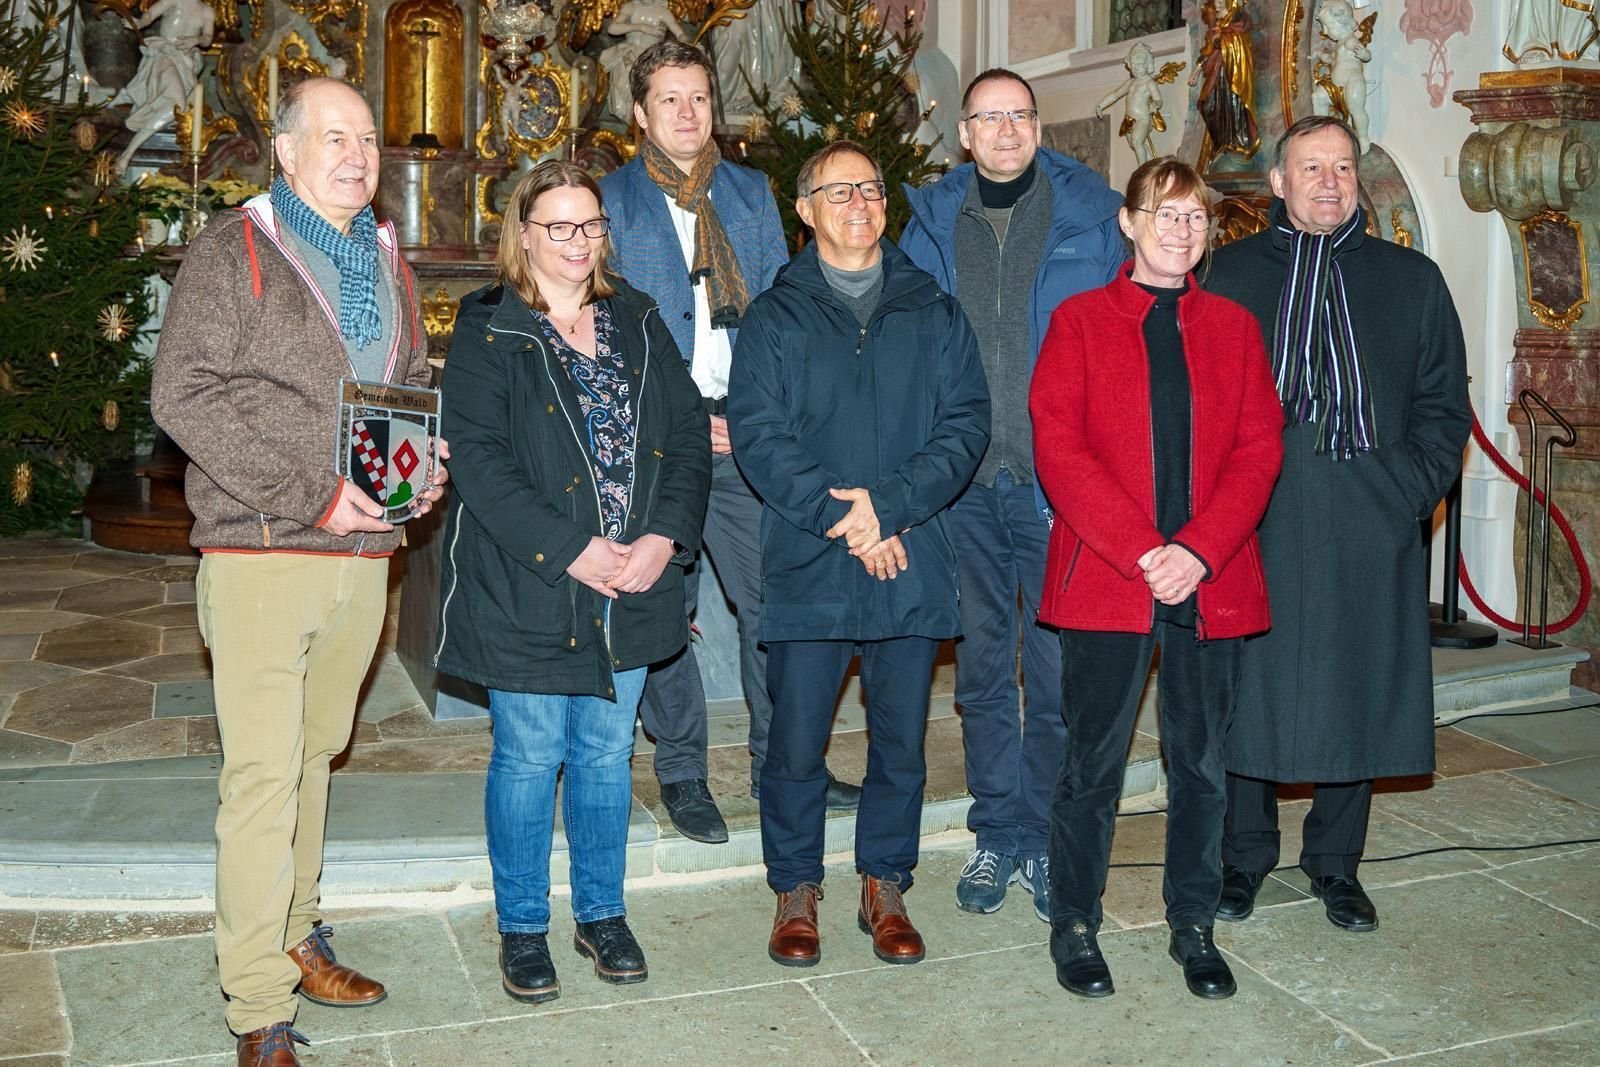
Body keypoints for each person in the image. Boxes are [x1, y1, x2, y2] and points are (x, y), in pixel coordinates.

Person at [151, 78, 444, 1067]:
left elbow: (398, 386)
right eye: (333, 137)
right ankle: (256, 1005)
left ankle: (296, 927)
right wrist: (312, 492)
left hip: (364, 554)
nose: (358, 153)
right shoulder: (234, 251)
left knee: (319, 751)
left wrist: (418, 462)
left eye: (367, 137)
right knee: (264, 775)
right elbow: (183, 392)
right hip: (263, 548)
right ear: (285, 152)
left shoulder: (385, 257)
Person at [434, 161, 711, 1005]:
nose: (578, 242)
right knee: (528, 753)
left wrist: (665, 536)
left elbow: (688, 434)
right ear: (522, 234)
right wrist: (571, 549)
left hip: (633, 578)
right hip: (533, 579)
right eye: (559, 227)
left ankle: (601, 911)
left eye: (590, 225)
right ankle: (523, 925)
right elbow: (480, 462)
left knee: (604, 751)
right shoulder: (488, 327)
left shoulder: (637, 315)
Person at [1205, 116, 1471, 934]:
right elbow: (1195, 402)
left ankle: (1336, 864)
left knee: (1356, 688)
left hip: (1367, 516)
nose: (1329, 181)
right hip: (1256, 518)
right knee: (1249, 689)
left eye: (1343, 167)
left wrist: (1399, 492)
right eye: (1310, 167)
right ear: (1277, 182)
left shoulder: (1412, 280)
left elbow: (1443, 408)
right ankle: (1242, 857)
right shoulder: (1226, 275)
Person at [730, 141, 990, 969]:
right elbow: (760, 438)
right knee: (797, 740)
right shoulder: (776, 315)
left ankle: (885, 881)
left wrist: (893, 509)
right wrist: (849, 520)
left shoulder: (933, 308)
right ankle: (796, 888)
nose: (859, 203)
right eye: (838, 191)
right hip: (812, 555)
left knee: (902, 743)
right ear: (803, 210)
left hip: (910, 553)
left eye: (871, 189)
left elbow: (965, 427)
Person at [1030, 157, 1284, 1000]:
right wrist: (1146, 551)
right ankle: (1074, 920)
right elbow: (1060, 449)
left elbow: (1258, 450)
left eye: (1196, 217)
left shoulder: (1235, 328)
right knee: (1092, 762)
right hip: (1112, 573)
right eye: (1164, 215)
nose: (1182, 231)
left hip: (1211, 576)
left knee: (1202, 761)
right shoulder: (1080, 321)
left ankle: (1194, 923)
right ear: (1129, 224)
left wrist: (1200, 550)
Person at [600, 40, 860, 845]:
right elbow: (606, 332)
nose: (687, 113)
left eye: (699, 98)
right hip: (659, 438)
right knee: (663, 610)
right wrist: (683, 417)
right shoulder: (609, 202)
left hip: (748, 431)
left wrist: (757, 412)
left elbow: (781, 311)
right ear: (640, 114)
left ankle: (781, 764)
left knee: (772, 605)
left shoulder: (748, 194)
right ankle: (681, 769)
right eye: (669, 100)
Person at [900, 67, 1123, 920]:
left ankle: (1043, 832)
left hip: (1057, 484)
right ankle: (997, 831)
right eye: (987, 117)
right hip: (962, 488)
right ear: (964, 133)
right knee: (985, 670)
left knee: (1059, 670)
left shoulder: (1093, 219)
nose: (1003, 130)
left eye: (1018, 116)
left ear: (1039, 126)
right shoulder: (927, 224)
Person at [113, 0, 215, 172]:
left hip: (186, 63)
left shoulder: (207, 11)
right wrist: (139, 23)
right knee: (177, 105)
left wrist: (195, 40)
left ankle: (130, 95)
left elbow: (207, 39)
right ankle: (127, 154)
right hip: (165, 55)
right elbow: (151, 15)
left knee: (180, 109)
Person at [1189, 0, 1260, 163]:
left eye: (1222, 0)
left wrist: (1221, 40)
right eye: (1216, 1)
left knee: (1233, 105)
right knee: (1209, 105)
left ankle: (1237, 143)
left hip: (1233, 72)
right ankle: (1221, 143)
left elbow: (1237, 42)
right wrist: (1197, 70)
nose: (1218, 4)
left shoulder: (1238, 18)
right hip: (1216, 71)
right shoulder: (1215, 24)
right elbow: (1209, 51)